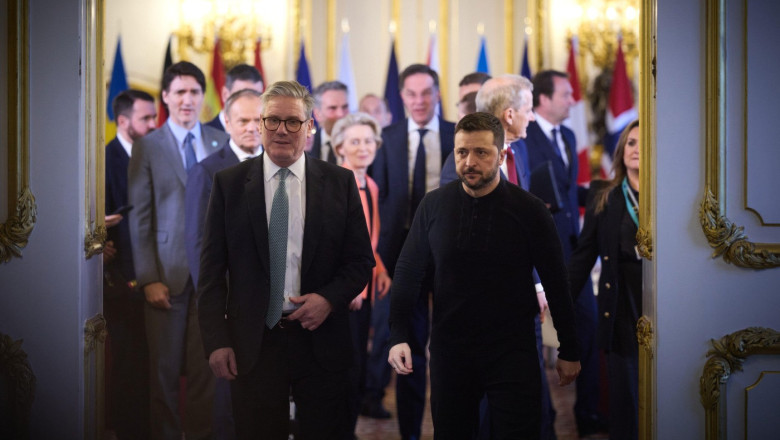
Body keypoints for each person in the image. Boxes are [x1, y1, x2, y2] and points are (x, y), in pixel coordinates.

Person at [197, 80, 375, 439]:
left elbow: (360, 262)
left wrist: (328, 299)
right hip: (254, 343)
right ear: (260, 124)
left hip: (321, 340)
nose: (281, 130)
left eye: (293, 121)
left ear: (310, 127)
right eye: (272, 120)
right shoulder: (229, 185)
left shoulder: (340, 183)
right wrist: (216, 341)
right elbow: (211, 274)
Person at [388, 112, 581, 438]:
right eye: (462, 152)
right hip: (452, 351)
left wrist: (569, 349)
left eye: (481, 152)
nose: (469, 162)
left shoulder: (530, 210)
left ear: (502, 155)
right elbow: (408, 273)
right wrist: (398, 335)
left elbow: (556, 280)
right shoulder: (433, 206)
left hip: (513, 352)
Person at [440, 73, 557, 440]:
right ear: (509, 115)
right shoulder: (460, 172)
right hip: (483, 318)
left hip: (520, 309)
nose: (533, 117)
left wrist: (537, 281)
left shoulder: (517, 150)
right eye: (528, 108)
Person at [128, 61, 228, 440]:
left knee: (209, 369)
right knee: (164, 373)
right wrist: (148, 278)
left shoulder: (220, 140)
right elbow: (140, 217)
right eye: (180, 92)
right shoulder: (147, 146)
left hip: (214, 278)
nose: (188, 99)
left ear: (204, 97)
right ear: (166, 96)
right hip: (166, 278)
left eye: (195, 92)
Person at [368, 63, 455, 438]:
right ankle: (410, 434)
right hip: (402, 257)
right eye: (411, 94)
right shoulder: (386, 137)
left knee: (453, 350)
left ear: (437, 94)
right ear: (401, 97)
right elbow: (378, 199)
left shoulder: (457, 134)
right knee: (407, 346)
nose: (419, 101)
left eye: (426, 93)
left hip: (451, 253)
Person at [525, 69, 604, 437]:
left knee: (587, 331)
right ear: (542, 99)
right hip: (538, 255)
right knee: (532, 340)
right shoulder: (525, 138)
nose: (573, 99)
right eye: (565, 93)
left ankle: (587, 414)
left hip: (574, 252)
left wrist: (608, 192)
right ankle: (544, 422)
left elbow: (570, 193)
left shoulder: (570, 135)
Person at [185, 88, 264, 440]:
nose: (252, 128)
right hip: (229, 304)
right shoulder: (206, 172)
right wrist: (218, 311)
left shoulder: (282, 166)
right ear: (227, 123)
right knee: (224, 399)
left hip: (272, 305)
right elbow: (200, 247)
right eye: (243, 121)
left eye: (258, 120)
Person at [568, 120, 641, 440]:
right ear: (621, 150)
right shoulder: (604, 195)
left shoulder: (672, 195)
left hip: (664, 304)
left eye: (644, 143)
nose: (636, 149)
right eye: (631, 143)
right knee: (626, 396)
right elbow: (583, 257)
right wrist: (558, 299)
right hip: (621, 306)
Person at [330, 112, 393, 436]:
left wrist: (379, 269)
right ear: (339, 146)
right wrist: (351, 285)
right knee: (342, 368)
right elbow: (332, 245)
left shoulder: (369, 183)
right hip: (342, 294)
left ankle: (348, 430)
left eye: (368, 141)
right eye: (354, 141)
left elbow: (367, 242)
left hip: (363, 290)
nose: (363, 147)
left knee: (355, 367)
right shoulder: (332, 182)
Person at [104, 89, 156, 440]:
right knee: (127, 361)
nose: (154, 124)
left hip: (153, 272)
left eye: (155, 117)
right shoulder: (104, 160)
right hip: (120, 277)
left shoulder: (153, 153)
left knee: (148, 361)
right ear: (123, 121)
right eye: (146, 118)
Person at [205, 64, 264, 132]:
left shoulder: (267, 137)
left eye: (256, 96)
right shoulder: (202, 136)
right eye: (242, 95)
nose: (249, 102)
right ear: (225, 95)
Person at [310, 81, 350, 163]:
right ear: (317, 114)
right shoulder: (306, 146)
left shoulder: (364, 146)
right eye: (333, 108)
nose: (341, 114)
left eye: (344, 107)